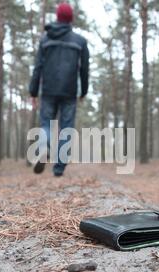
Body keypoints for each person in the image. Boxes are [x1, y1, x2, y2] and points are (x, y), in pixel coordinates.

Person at [29, 2, 90, 177]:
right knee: (66, 128)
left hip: (48, 90)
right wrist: (83, 91)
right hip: (69, 91)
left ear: (57, 17)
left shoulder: (45, 39)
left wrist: (33, 91)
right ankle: (59, 168)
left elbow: (38, 67)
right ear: (71, 19)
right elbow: (84, 69)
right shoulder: (80, 41)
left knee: (46, 123)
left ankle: (44, 147)